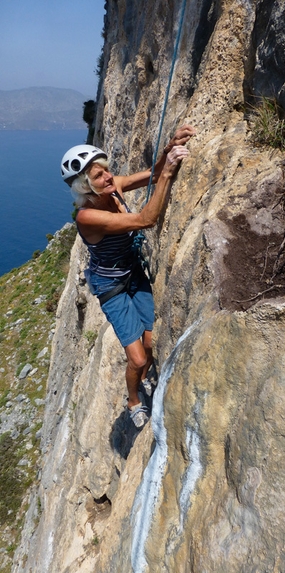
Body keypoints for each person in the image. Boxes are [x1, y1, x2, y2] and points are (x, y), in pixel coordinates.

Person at [60, 125, 195, 427]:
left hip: (133, 271)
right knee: (136, 358)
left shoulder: (113, 187)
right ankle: (134, 399)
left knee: (149, 344)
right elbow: (146, 219)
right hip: (111, 287)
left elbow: (151, 174)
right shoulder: (88, 217)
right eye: (98, 176)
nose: (108, 177)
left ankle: (145, 377)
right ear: (84, 186)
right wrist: (169, 173)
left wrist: (168, 149)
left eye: (106, 171)